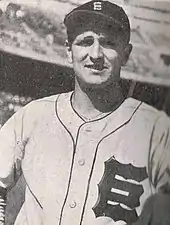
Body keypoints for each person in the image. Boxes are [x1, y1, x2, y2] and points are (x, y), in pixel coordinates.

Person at [0, 0, 169, 224]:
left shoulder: (156, 131)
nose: (96, 54)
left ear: (126, 54)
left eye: (108, 43)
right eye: (85, 42)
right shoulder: (32, 116)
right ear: (70, 51)